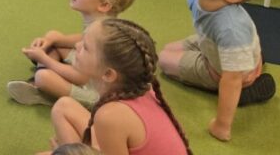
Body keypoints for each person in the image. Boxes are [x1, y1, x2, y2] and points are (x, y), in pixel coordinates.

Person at [158, 0, 276, 142]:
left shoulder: (231, 30)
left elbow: (232, 79)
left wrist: (222, 125)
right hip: (211, 45)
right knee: (168, 49)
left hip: (223, 71)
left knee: (163, 60)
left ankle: (247, 89)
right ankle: (250, 63)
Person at [49, 18, 191, 155]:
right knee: (63, 106)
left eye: (85, 47)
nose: (77, 45)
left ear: (108, 74)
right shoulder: (141, 88)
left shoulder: (110, 116)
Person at [9, 0, 137, 108]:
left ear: (103, 5)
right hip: (89, 73)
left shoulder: (103, 33)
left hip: (95, 94)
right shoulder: (101, 24)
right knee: (53, 37)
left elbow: (81, 77)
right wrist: (54, 39)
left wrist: (44, 59)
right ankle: (45, 82)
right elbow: (83, 39)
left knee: (43, 77)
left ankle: (45, 92)